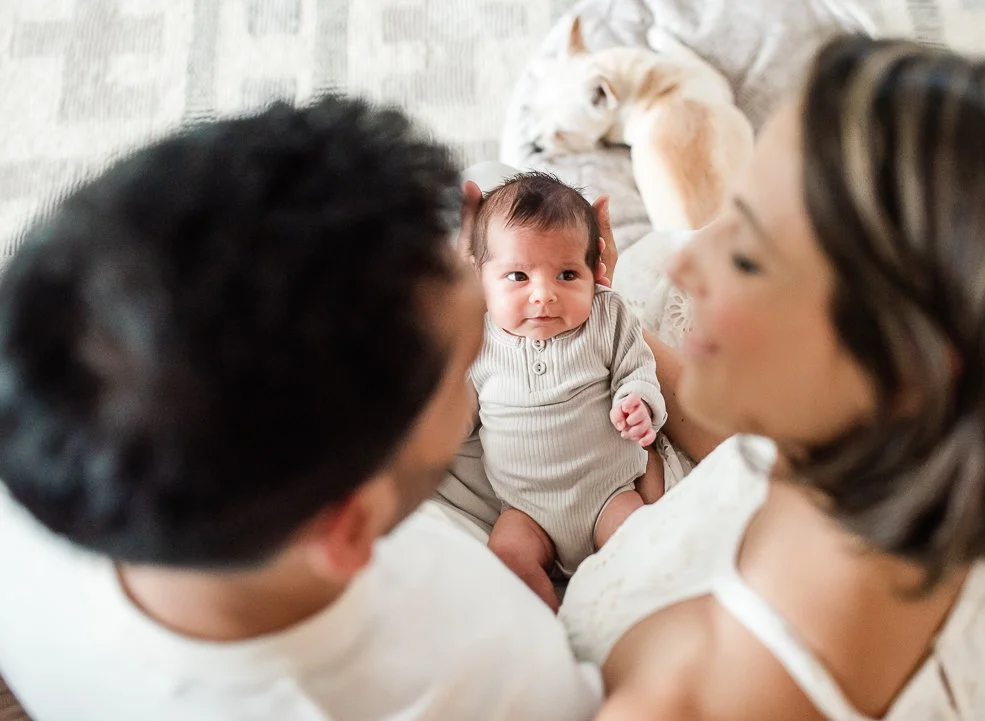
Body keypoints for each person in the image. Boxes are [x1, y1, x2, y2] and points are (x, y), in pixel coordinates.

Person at [0, 97, 602, 721]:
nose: (470, 269)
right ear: (349, 530)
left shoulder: (30, 455)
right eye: (476, 348)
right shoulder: (487, 659)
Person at [558, 34, 985, 720]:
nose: (690, 263)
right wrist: (606, 328)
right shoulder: (912, 476)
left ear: (907, 367)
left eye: (748, 256)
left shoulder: (689, 694)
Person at [468, 171, 666, 609]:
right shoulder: (476, 340)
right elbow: (454, 419)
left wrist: (638, 403)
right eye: (518, 275)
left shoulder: (605, 315)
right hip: (525, 509)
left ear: (594, 272)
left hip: (609, 495)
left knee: (645, 548)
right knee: (504, 560)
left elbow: (638, 370)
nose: (544, 295)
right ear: (481, 280)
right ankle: (555, 634)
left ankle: (625, 626)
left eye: (566, 274)